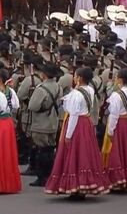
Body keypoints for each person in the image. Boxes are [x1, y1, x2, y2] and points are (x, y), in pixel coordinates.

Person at [45, 67, 111, 198]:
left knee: (74, 154)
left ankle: (75, 186)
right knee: (85, 154)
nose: (74, 78)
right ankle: (84, 185)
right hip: (86, 122)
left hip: (76, 124)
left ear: (79, 78)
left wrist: (68, 135)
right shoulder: (89, 90)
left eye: (75, 76)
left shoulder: (76, 93)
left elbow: (73, 114)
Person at [27, 63, 62, 187]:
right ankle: (50, 174)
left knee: (41, 151)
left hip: (41, 123)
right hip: (53, 122)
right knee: (50, 149)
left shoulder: (41, 88)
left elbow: (32, 106)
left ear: (45, 75)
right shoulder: (58, 86)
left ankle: (42, 177)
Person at [0, 68, 21, 194]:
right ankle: (8, 182)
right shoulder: (10, 91)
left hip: (1, 122)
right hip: (8, 122)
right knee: (7, 152)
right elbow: (16, 106)